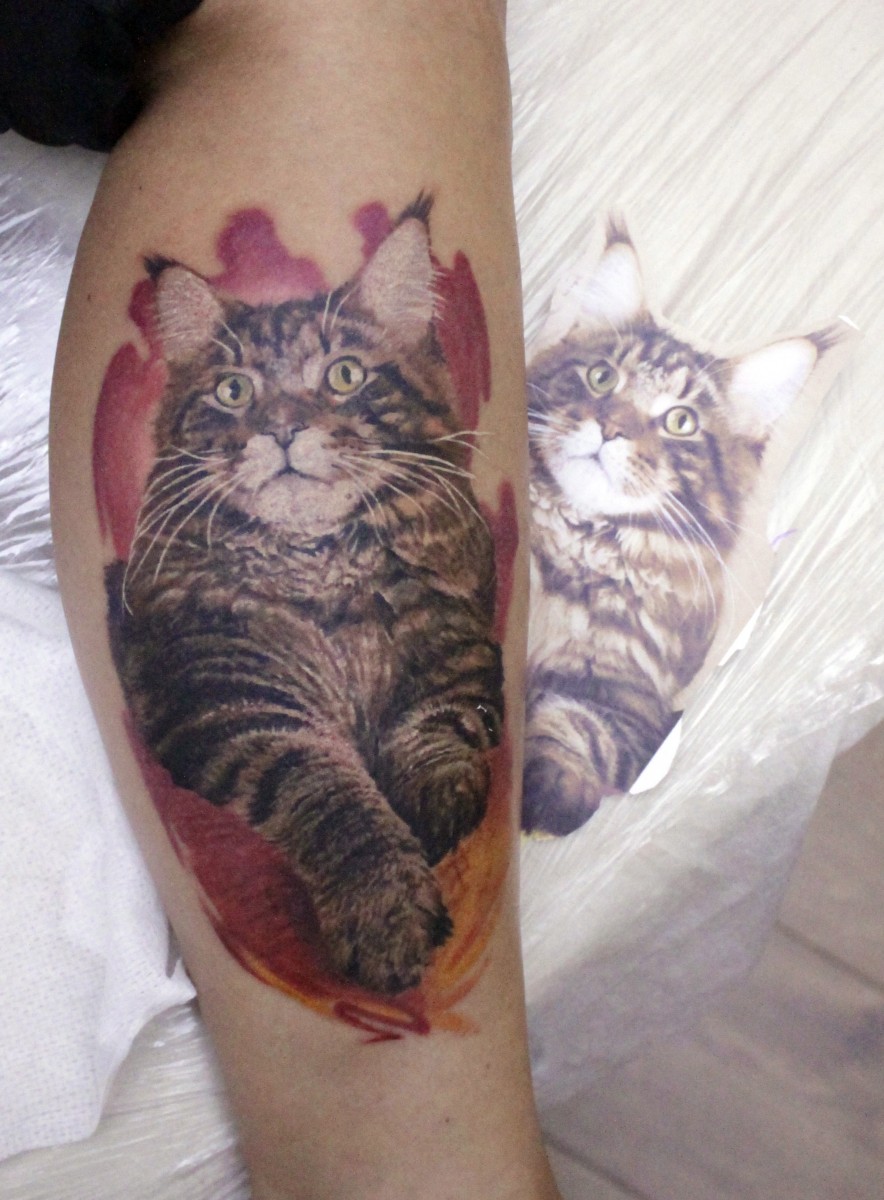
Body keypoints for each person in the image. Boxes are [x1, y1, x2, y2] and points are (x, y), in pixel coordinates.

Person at [39, 1, 562, 1196]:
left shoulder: (428, 527)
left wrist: (432, 742)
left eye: (338, 378)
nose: (280, 424)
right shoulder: (194, 564)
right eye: (231, 392)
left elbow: (453, 688)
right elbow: (204, 708)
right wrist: (342, 827)